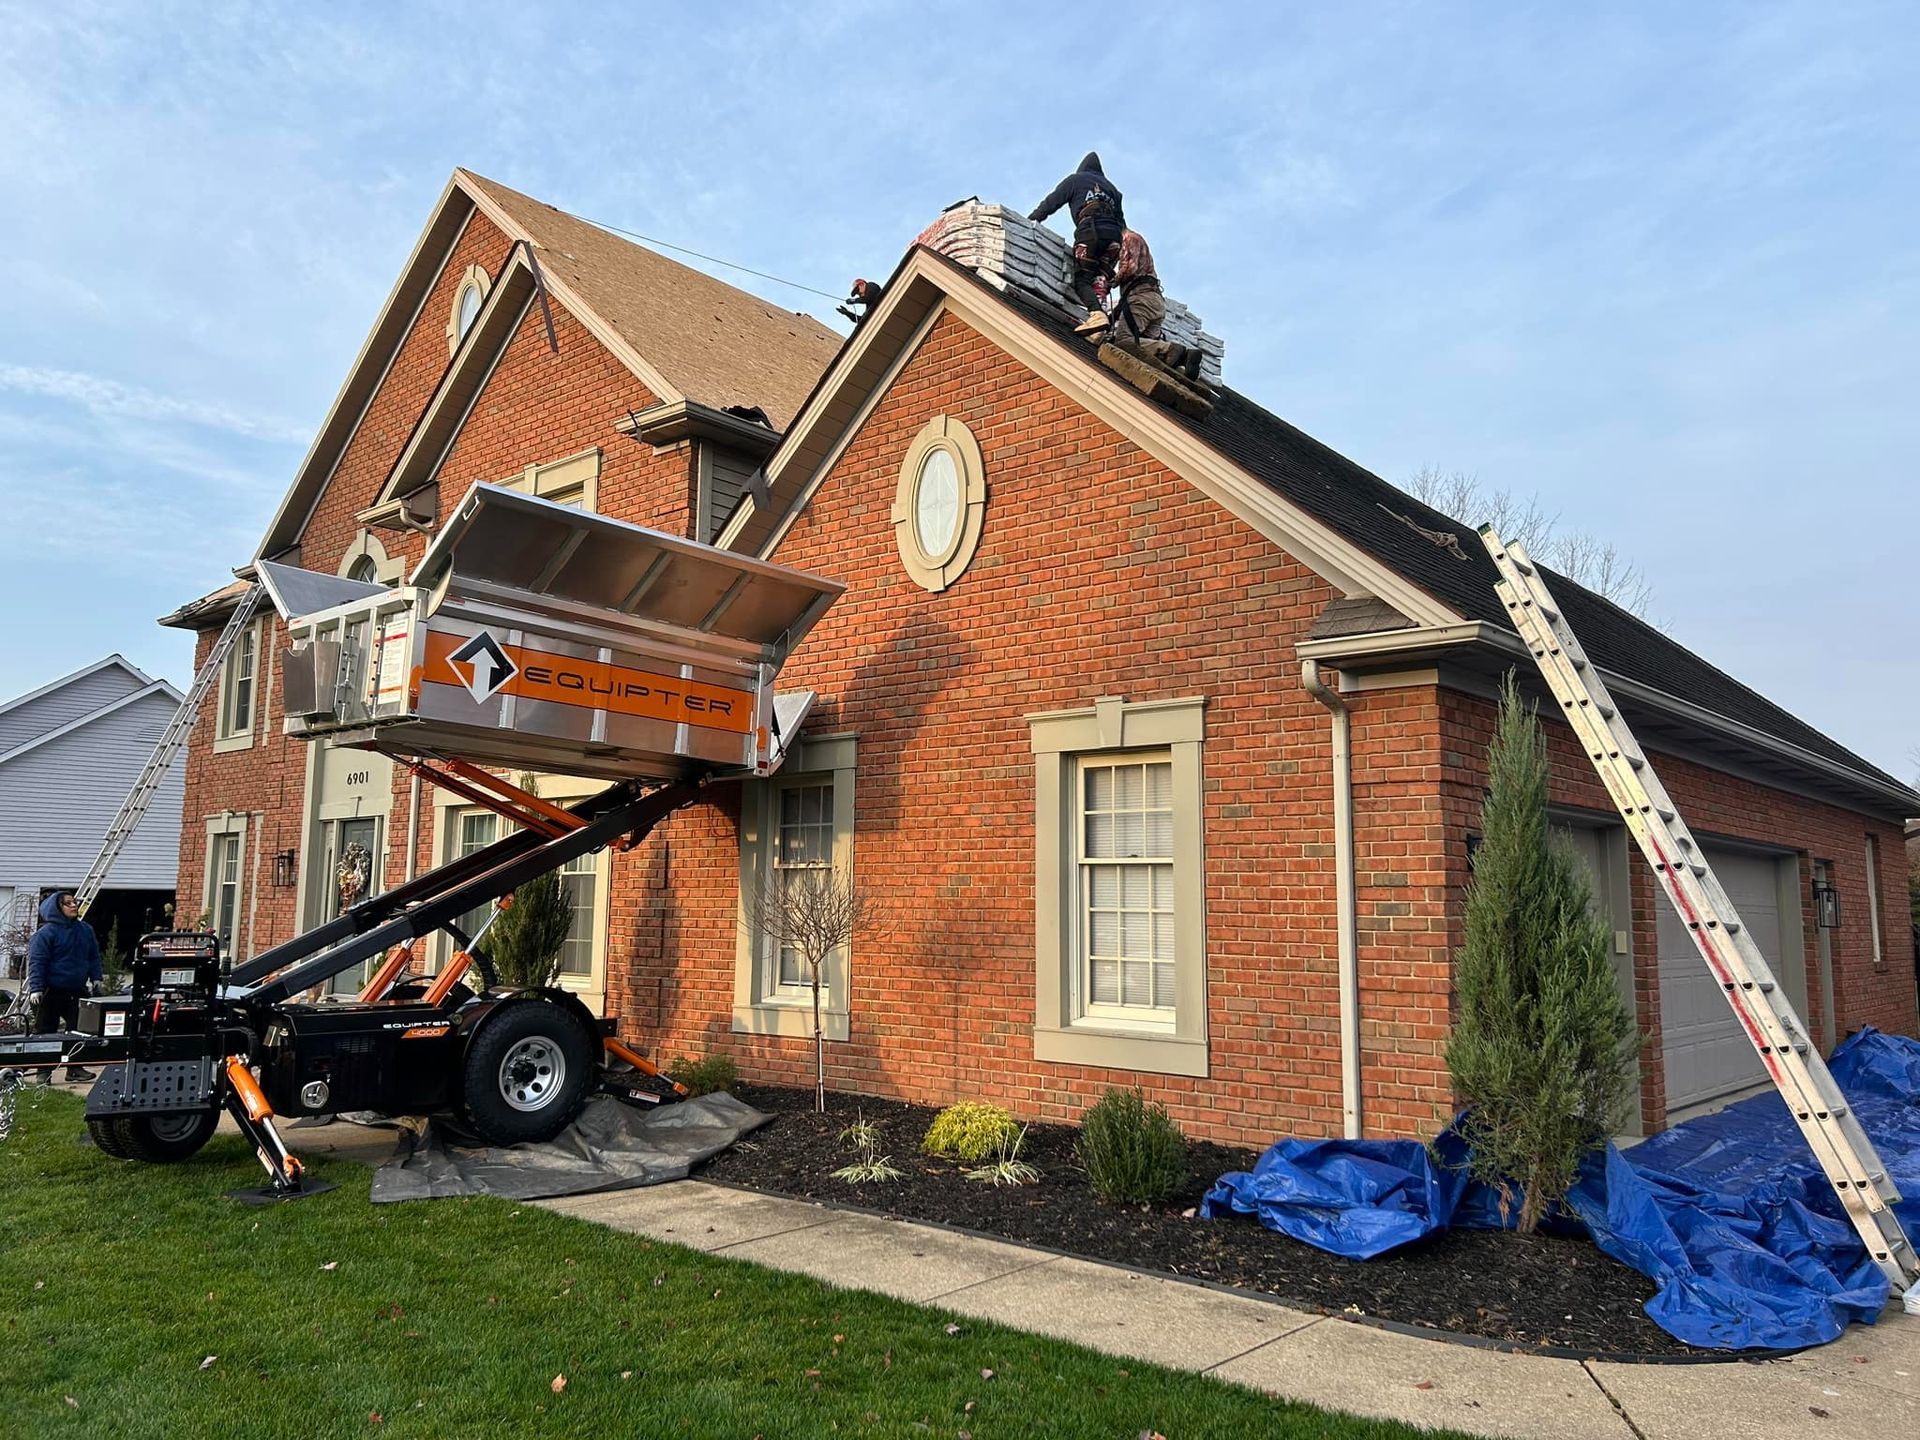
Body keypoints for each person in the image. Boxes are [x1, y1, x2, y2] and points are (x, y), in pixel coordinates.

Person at [1029, 151, 1126, 324]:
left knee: (1082, 280)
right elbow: (1123, 226)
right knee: (1099, 282)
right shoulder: (1113, 191)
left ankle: (1097, 316)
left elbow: (1050, 204)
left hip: (1091, 231)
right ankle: (1102, 324)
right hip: (1115, 240)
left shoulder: (1076, 180)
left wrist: (1029, 222)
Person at [1105, 229, 1205, 382]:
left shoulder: (1128, 238)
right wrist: (1111, 317)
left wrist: (1111, 282)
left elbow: (1129, 267)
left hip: (1142, 298)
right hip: (1154, 301)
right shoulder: (1135, 241)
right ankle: (1185, 359)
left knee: (1124, 342)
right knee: (1147, 352)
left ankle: (1169, 348)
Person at [27, 891, 100, 1083]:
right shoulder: (45, 934)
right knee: (45, 1033)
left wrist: (97, 978)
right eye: (68, 903)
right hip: (51, 992)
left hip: (76, 991)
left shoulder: (85, 930)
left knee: (79, 1030)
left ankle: (74, 1069)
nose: (74, 905)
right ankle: (44, 1072)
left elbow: (93, 956)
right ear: (57, 909)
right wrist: (36, 988)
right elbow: (37, 962)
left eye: (74, 902)